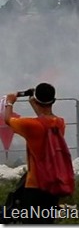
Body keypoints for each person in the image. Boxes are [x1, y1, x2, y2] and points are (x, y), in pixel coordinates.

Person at [4, 83, 67, 223]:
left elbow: (8, 119)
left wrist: (9, 101)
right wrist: (35, 103)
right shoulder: (60, 123)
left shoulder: (30, 125)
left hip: (35, 186)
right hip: (53, 184)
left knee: (32, 222)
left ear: (36, 101)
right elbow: (44, 117)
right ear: (53, 101)